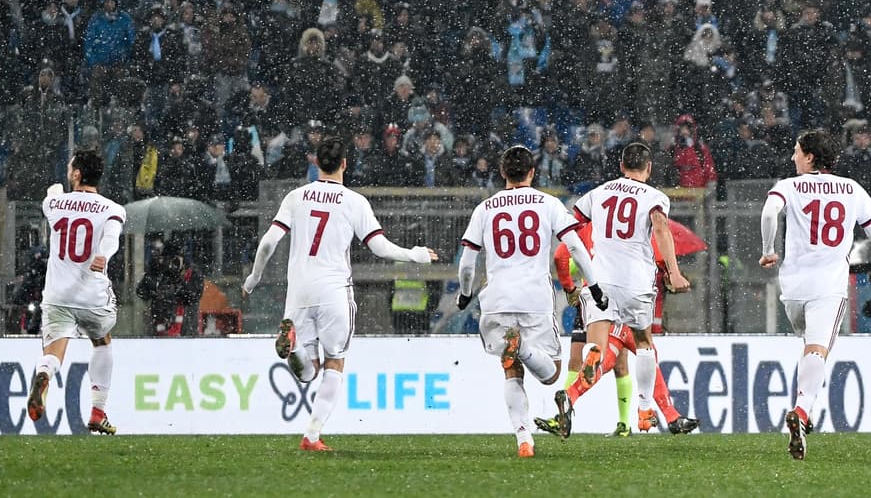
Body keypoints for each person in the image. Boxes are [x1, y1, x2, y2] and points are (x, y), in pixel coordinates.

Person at [241, 136, 438, 451]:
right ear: (345, 164)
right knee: (335, 362)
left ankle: (292, 348)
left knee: (307, 372)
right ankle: (312, 435)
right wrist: (416, 254)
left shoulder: (296, 197)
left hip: (299, 291)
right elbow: (379, 247)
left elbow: (268, 242)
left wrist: (253, 279)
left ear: (316, 163)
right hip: (334, 289)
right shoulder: (354, 201)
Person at [455, 145, 607, 457]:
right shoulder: (548, 203)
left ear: (502, 173)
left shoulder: (485, 209)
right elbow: (575, 247)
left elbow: (467, 262)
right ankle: (522, 346)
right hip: (534, 297)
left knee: (510, 369)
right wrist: (594, 286)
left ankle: (524, 440)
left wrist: (465, 292)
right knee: (552, 373)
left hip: (497, 297)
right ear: (532, 173)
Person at [759, 128, 871, 460]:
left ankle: (804, 410)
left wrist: (768, 250)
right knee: (818, 349)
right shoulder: (851, 188)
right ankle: (801, 411)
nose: (792, 157)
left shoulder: (787, 186)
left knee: (808, 346)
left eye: (796, 151)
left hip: (792, 288)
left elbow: (770, 212)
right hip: (828, 286)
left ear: (810, 157)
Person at [555, 142, 690, 438]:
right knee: (643, 343)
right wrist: (675, 272)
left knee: (599, 349)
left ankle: (592, 357)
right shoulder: (654, 197)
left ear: (621, 166)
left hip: (599, 281)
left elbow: (569, 229)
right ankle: (643, 410)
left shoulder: (598, 193)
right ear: (649, 168)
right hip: (635, 282)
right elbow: (660, 227)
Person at [534, 217, 700, 437]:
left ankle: (572, 397)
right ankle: (652, 414)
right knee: (644, 353)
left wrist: (569, 286)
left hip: (596, 301)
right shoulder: (635, 230)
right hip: (628, 303)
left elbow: (561, 256)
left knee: (604, 359)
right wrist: (672, 274)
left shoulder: (589, 229)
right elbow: (654, 260)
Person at [26, 150, 126, 435]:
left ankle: (44, 374)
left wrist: (54, 193)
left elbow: (51, 202)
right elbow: (111, 238)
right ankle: (98, 411)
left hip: (58, 296)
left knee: (54, 353)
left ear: (77, 174)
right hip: (92, 296)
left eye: (71, 168)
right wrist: (103, 256)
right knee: (102, 341)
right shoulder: (113, 208)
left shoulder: (54, 203)